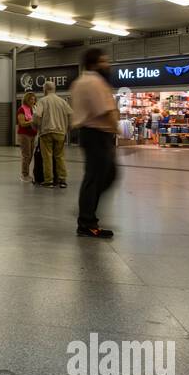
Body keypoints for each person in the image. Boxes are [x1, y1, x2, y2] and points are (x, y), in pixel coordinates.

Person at [71, 48, 119, 238]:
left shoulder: (79, 82)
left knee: (102, 176)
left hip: (90, 134)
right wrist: (116, 130)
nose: (108, 65)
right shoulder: (95, 82)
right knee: (97, 178)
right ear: (94, 63)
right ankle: (86, 220)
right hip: (98, 135)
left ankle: (87, 209)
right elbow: (106, 110)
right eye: (104, 61)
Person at [36, 81, 72, 187]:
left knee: (47, 157)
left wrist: (37, 127)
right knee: (60, 156)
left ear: (45, 89)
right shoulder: (62, 101)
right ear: (54, 89)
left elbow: (37, 115)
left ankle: (49, 180)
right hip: (60, 132)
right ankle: (62, 180)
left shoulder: (42, 101)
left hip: (46, 132)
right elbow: (71, 114)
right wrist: (68, 128)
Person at [17, 92, 39, 182]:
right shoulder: (21, 109)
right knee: (26, 155)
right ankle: (24, 174)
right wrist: (32, 121)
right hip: (24, 135)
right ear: (26, 100)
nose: (32, 101)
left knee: (30, 155)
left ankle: (26, 173)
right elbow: (22, 123)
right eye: (30, 99)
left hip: (33, 134)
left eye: (34, 99)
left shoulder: (34, 109)